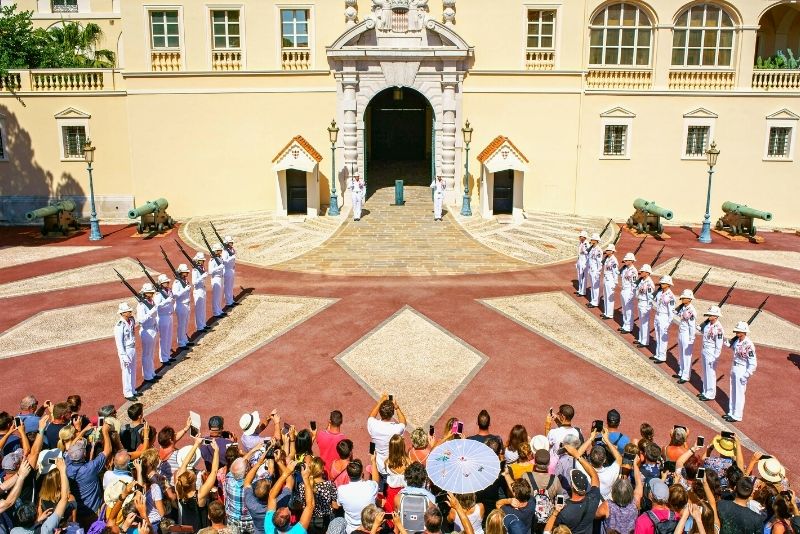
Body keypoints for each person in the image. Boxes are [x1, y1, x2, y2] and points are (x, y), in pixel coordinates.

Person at [66, 421, 112, 527]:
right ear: (85, 454)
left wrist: (82, 431)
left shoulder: (67, 462)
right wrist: (105, 432)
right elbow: (107, 450)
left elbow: (71, 448)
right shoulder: (90, 468)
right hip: (92, 512)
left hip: (75, 511)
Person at [551, 444, 601, 534]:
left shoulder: (563, 509)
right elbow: (594, 475)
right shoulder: (594, 498)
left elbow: (553, 527)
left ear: (571, 485)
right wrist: (577, 456)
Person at [175, 437, 219, 532]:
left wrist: (196, 445)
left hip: (187, 528)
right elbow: (214, 472)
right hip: (201, 530)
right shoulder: (200, 495)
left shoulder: (179, 489)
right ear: (192, 483)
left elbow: (184, 465)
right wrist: (216, 451)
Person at [724, 321, 757, 423]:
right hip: (734, 368)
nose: (736, 332)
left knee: (739, 393)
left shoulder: (749, 345)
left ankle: (737, 415)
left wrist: (747, 374)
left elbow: (753, 363)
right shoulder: (737, 341)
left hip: (742, 369)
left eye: (739, 331)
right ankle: (732, 411)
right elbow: (732, 347)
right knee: (733, 391)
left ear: (744, 332)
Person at [366, 394, 406, 476]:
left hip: (378, 463)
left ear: (380, 412)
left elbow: (371, 416)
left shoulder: (372, 424)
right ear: (392, 414)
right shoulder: (396, 429)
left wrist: (380, 402)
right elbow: (403, 423)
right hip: (391, 465)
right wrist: (397, 408)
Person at [337, 458, 379, 533]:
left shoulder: (341, 490)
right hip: (369, 528)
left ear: (348, 474)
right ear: (361, 473)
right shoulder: (370, 486)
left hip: (351, 530)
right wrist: (373, 461)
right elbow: (376, 481)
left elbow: (338, 505)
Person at [697, 305, 724, 402]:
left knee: (710, 373)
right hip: (704, 350)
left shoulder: (719, 329)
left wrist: (715, 357)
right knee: (705, 372)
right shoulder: (708, 325)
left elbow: (719, 345)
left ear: (716, 316)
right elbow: (705, 334)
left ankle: (711, 394)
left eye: (711, 315)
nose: (709, 316)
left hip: (711, 352)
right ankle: (705, 391)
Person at [114, 302, 138, 402]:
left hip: (132, 347)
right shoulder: (119, 325)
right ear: (123, 313)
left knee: (133, 369)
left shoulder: (131, 320)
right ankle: (127, 392)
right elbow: (119, 342)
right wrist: (123, 355)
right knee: (127, 371)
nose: (130, 312)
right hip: (125, 349)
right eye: (128, 311)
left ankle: (133, 389)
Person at [136, 284, 159, 384]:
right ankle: (147, 375)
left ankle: (151, 372)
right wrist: (150, 312)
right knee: (146, 354)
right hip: (146, 330)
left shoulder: (151, 301)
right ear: (145, 293)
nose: (152, 293)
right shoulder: (141, 305)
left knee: (151, 352)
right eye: (150, 292)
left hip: (153, 328)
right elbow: (141, 320)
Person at [675, 289, 697, 384]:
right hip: (681, 332)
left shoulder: (691, 310)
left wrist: (692, 338)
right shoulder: (683, 307)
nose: (682, 299)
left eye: (684, 298)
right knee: (681, 353)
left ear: (689, 299)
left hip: (687, 334)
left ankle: (686, 375)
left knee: (686, 355)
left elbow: (692, 326)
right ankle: (681, 371)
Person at [651, 274, 675, 363]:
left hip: (664, 317)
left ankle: (662, 356)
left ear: (668, 284)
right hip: (658, 315)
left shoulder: (670, 296)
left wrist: (668, 323)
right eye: (661, 283)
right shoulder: (660, 293)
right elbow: (656, 302)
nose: (662, 284)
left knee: (663, 337)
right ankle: (658, 354)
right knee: (657, 335)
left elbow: (671, 312)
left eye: (664, 283)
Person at [315, 410, 346, 476]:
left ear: (330, 421)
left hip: (323, 471)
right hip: (336, 473)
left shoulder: (321, 435)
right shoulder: (343, 439)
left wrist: (327, 428)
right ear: (341, 422)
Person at [154, 273, 175, 365]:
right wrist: (166, 301)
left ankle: (167, 355)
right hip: (162, 317)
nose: (167, 283)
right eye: (165, 282)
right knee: (163, 338)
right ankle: (163, 358)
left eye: (167, 282)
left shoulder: (168, 290)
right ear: (161, 284)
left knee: (169, 336)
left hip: (169, 315)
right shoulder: (158, 294)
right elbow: (157, 306)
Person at [173, 263, 193, 351]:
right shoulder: (177, 282)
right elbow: (175, 295)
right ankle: (181, 342)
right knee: (181, 324)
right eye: (185, 272)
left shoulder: (185, 280)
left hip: (186, 304)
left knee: (186, 323)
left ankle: (184, 339)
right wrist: (185, 289)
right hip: (180, 304)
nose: (187, 273)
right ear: (181, 273)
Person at [635, 264, 655, 348]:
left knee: (644, 323)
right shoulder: (642, 281)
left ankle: (645, 341)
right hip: (640, 302)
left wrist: (648, 307)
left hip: (645, 304)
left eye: (642, 272)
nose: (641, 273)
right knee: (641, 322)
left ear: (647, 273)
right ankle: (641, 339)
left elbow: (650, 297)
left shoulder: (649, 283)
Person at [618, 252, 638, 334]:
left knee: (628, 310)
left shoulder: (633, 271)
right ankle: (625, 325)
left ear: (631, 261)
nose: (625, 261)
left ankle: (629, 327)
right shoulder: (625, 268)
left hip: (629, 291)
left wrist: (632, 293)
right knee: (624, 309)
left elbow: (634, 283)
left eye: (627, 260)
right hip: (623, 290)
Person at [192, 252, 209, 332]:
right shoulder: (195, 270)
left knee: (203, 308)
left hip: (202, 289)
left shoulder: (201, 268)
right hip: (198, 290)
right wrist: (202, 277)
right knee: (199, 309)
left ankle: (203, 324)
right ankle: (199, 326)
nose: (202, 262)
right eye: (201, 260)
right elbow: (194, 282)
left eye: (203, 260)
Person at [601, 244, 619, 319]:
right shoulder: (607, 258)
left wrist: (615, 282)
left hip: (610, 280)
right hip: (606, 279)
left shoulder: (614, 260)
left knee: (609, 298)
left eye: (608, 250)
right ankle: (606, 312)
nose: (607, 251)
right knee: (605, 296)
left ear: (612, 251)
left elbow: (615, 272)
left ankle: (610, 314)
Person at [209, 243, 226, 318]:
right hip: (216, 278)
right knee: (216, 296)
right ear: (215, 251)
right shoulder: (212, 261)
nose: (220, 251)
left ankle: (219, 309)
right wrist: (219, 268)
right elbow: (210, 271)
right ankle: (216, 312)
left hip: (221, 277)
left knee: (219, 295)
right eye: (219, 250)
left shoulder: (219, 258)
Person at [586, 233, 602, 308]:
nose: (591, 240)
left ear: (596, 240)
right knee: (592, 286)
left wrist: (598, 272)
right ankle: (592, 301)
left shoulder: (599, 250)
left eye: (592, 239)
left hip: (595, 271)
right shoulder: (592, 248)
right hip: (591, 269)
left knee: (595, 287)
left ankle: (595, 302)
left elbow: (599, 262)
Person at [222, 235, 237, 309]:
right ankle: (228, 301)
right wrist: (231, 258)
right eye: (230, 242)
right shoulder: (225, 251)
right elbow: (224, 261)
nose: (232, 244)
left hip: (231, 269)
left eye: (232, 242)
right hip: (227, 269)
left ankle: (231, 300)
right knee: (227, 286)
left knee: (231, 286)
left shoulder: (231, 250)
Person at [575, 230, 590, 297]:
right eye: (580, 236)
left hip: (584, 262)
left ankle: (583, 291)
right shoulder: (581, 243)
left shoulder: (586, 244)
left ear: (584, 237)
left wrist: (583, 250)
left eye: (581, 236)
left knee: (583, 277)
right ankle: (580, 289)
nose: (580, 237)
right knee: (579, 276)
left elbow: (587, 253)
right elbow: (579, 253)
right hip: (580, 261)